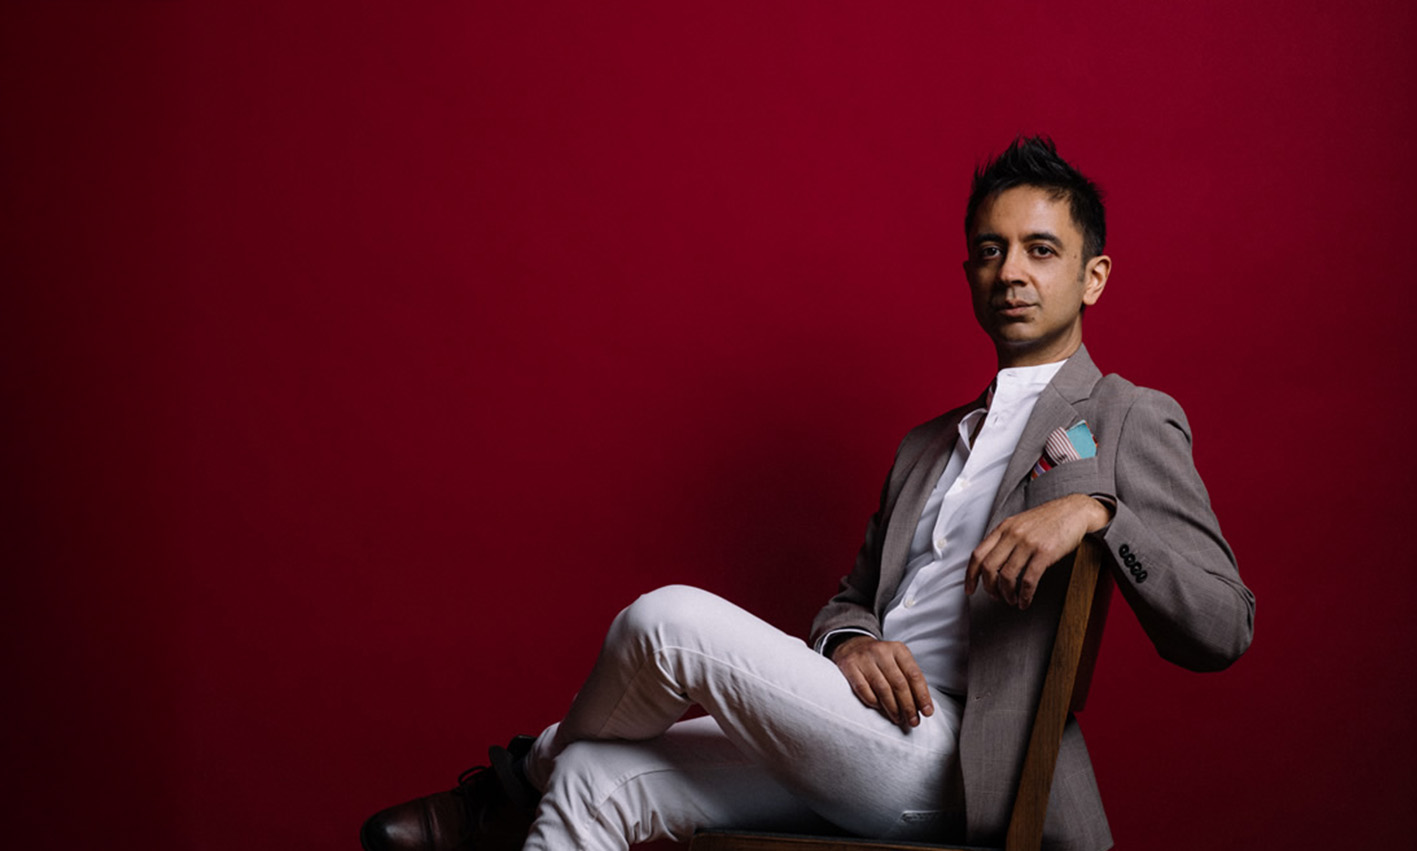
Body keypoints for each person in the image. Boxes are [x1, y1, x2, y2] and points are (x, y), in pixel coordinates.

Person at [361, 136, 1254, 851]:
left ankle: (512, 783)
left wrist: (1097, 512)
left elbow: (1225, 623)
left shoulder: (1128, 415)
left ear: (1093, 276)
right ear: (970, 274)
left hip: (961, 759)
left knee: (665, 621)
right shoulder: (925, 445)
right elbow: (848, 598)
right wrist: (850, 639)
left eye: (1041, 250)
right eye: (991, 251)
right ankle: (540, 787)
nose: (1011, 271)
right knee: (597, 779)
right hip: (855, 727)